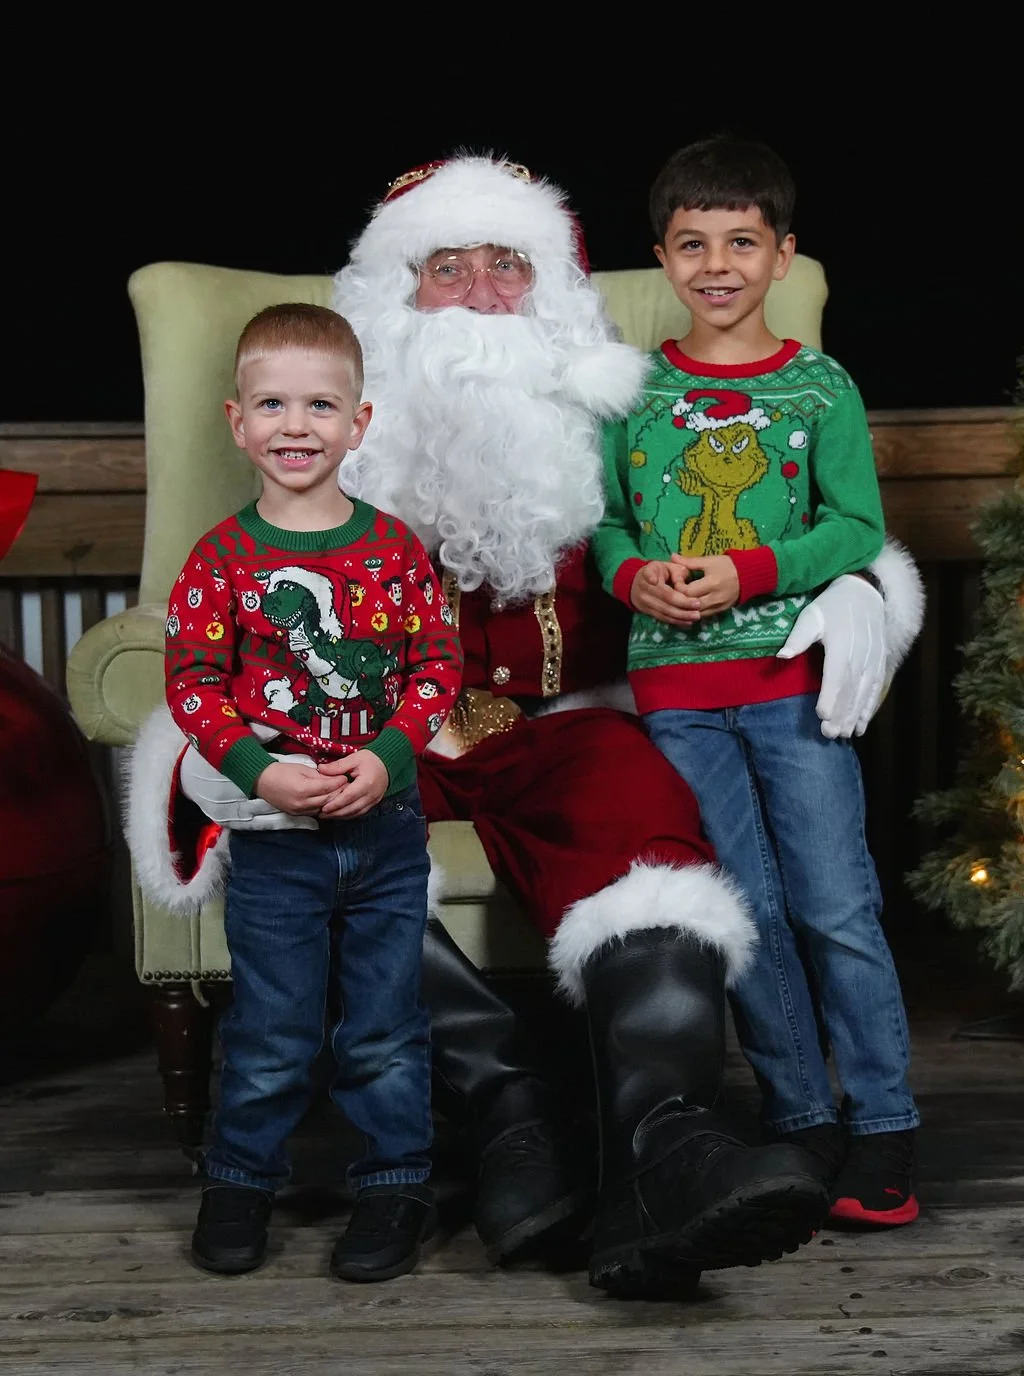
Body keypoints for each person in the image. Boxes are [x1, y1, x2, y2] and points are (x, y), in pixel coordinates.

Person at [130, 156, 925, 1299]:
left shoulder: (623, 411)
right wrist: (249, 752)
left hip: (563, 722)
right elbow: (227, 633)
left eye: (509, 266)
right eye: (447, 268)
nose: (481, 292)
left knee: (648, 823)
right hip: (368, 735)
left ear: (550, 295)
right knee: (321, 857)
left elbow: (775, 509)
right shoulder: (322, 444)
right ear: (391, 306)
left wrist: (860, 587)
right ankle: (510, 1110)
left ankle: (666, 1146)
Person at [591, 136, 920, 1227]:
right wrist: (638, 578)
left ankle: (879, 1120)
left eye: (742, 241)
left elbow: (856, 525)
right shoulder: (631, 392)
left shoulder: (818, 385)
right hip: (676, 697)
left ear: (783, 256)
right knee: (754, 909)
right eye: (692, 243)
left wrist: (754, 569)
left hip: (788, 683)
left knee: (835, 904)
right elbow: (607, 528)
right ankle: (797, 1113)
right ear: (662, 259)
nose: (716, 263)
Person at [165, 303, 463, 1283]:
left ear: (359, 421)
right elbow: (194, 686)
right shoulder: (220, 560)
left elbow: (435, 667)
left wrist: (388, 753)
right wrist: (258, 770)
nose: (297, 424)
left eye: (320, 404)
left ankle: (394, 1179)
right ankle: (241, 1175)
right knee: (272, 1027)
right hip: (278, 842)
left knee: (382, 1024)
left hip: (385, 830)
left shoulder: (393, 551)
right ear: (237, 421)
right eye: (274, 404)